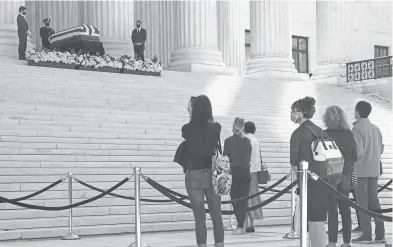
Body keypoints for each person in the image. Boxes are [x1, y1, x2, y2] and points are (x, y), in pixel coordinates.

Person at [181, 95, 224, 247]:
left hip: (193, 174)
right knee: (216, 214)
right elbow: (211, 130)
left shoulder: (187, 129)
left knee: (199, 217)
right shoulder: (216, 127)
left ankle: (202, 245)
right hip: (212, 174)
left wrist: (190, 113)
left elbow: (190, 132)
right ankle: (219, 244)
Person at [289, 96, 327, 247]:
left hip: (307, 181)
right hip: (322, 179)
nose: (291, 114)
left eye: (293, 111)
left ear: (300, 112)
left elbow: (293, 164)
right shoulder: (319, 130)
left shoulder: (298, 133)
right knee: (317, 218)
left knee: (311, 218)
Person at [323, 106, 358, 247]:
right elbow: (355, 156)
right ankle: (346, 242)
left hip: (330, 174)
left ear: (326, 118)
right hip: (345, 173)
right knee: (345, 209)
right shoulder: (348, 133)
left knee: (332, 210)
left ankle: (332, 242)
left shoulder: (323, 134)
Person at [352, 101, 385, 244]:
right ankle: (380, 234)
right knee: (374, 201)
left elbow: (358, 152)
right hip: (374, 169)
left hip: (360, 170)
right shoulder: (375, 128)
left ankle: (367, 235)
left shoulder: (357, 128)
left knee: (362, 203)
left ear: (357, 111)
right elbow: (381, 148)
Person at [224, 117, 252, 235]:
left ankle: (240, 226)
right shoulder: (247, 141)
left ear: (233, 126)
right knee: (244, 200)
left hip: (234, 172)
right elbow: (249, 156)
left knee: (235, 199)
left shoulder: (228, 141)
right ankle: (241, 225)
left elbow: (225, 158)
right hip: (246, 172)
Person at [243, 121, 264, 233]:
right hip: (255, 172)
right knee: (253, 196)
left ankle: (245, 224)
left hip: (245, 171)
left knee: (244, 197)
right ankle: (252, 224)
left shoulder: (243, 139)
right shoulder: (256, 140)